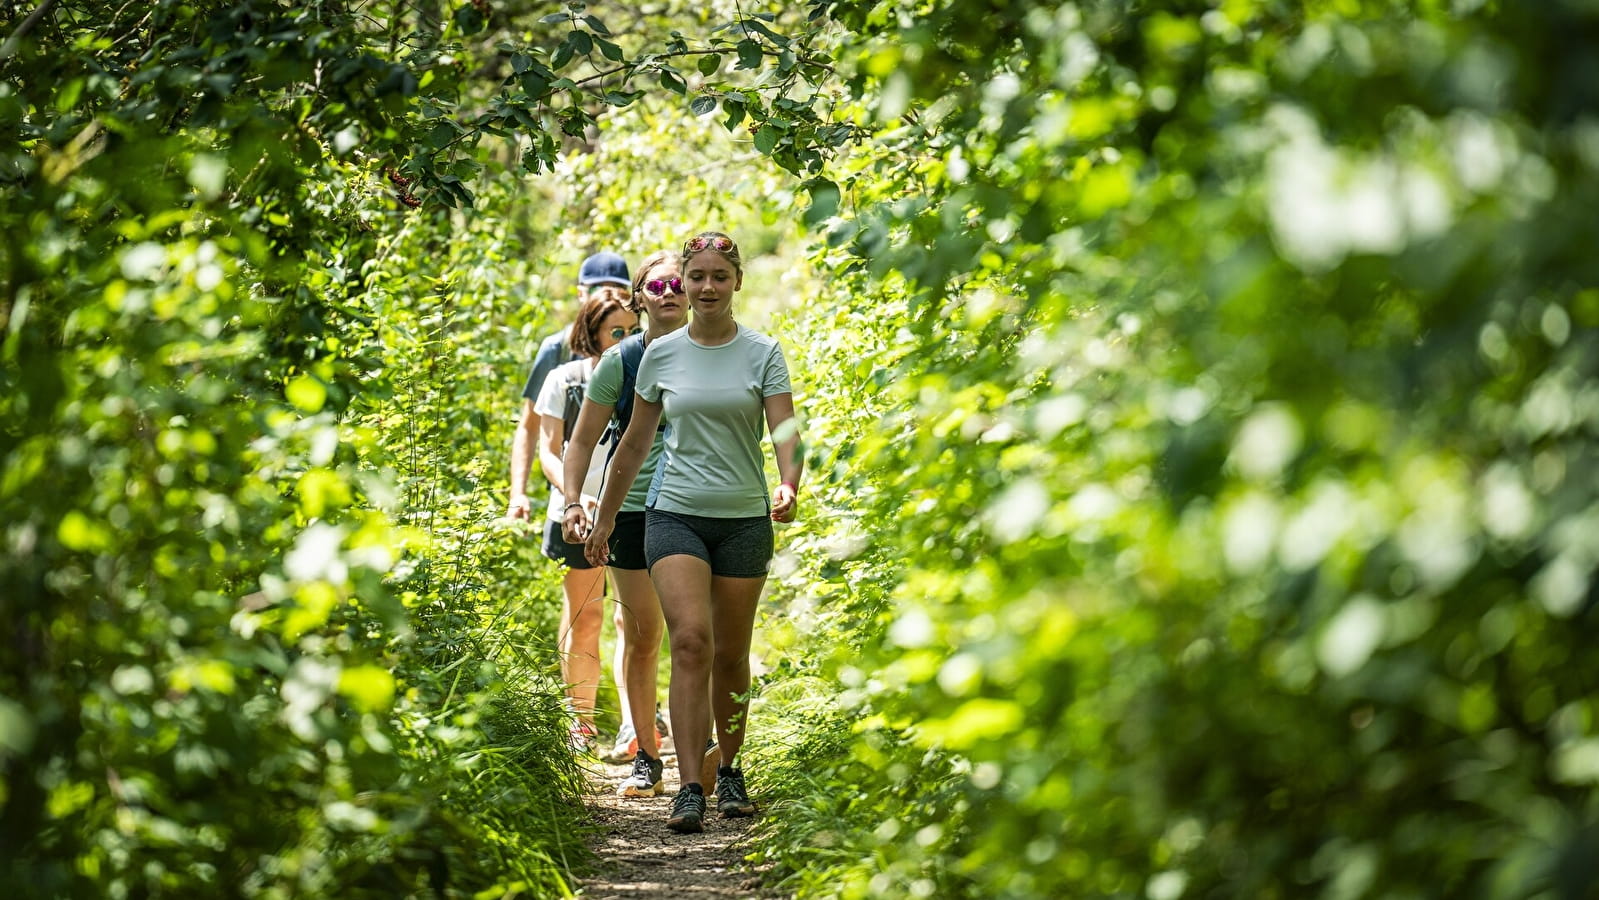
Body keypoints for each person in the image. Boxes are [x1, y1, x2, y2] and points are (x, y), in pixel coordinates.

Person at [581, 232, 801, 834]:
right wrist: (602, 520)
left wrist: (788, 481)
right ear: (683, 282)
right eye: (695, 276)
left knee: (731, 654)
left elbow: (784, 428)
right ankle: (689, 786)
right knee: (691, 643)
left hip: (744, 519)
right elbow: (633, 443)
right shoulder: (661, 353)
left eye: (717, 277)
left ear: (735, 283)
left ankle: (729, 770)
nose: (705, 287)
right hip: (673, 513)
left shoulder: (763, 352)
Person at [561, 250, 716, 798]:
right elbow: (581, 440)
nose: (672, 292)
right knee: (644, 632)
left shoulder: (717, 351)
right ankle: (647, 754)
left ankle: (712, 751)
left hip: (700, 505)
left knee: (698, 635)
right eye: (659, 285)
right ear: (640, 298)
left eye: (680, 282)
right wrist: (574, 502)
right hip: (630, 511)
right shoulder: (621, 362)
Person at [508, 251, 638, 747]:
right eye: (613, 330)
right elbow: (539, 436)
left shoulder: (647, 363)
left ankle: (635, 720)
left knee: (633, 615)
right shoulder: (558, 364)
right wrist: (564, 498)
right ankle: (580, 721)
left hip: (634, 506)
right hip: (574, 509)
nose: (622, 335)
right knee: (586, 614)